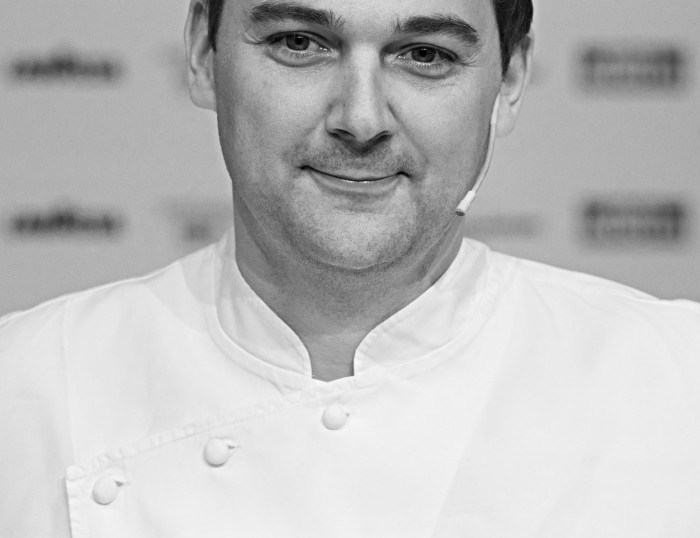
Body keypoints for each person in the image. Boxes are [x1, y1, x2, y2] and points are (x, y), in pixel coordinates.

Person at [2, 0, 699, 535]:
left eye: (425, 55)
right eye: (299, 44)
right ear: (202, 55)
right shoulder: (24, 388)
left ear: (510, 81)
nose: (361, 121)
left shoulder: (676, 386)